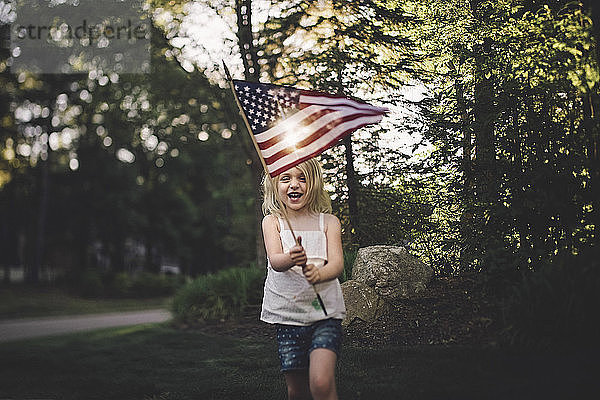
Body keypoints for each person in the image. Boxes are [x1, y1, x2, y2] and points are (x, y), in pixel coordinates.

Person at [261, 157, 346, 400]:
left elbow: (337, 264)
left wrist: (319, 274)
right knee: (296, 390)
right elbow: (276, 261)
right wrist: (291, 256)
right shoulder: (273, 222)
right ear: (275, 185)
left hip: (325, 313)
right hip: (288, 317)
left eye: (303, 178)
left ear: (315, 184)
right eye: (286, 179)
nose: (294, 184)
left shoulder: (328, 222)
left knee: (320, 382)